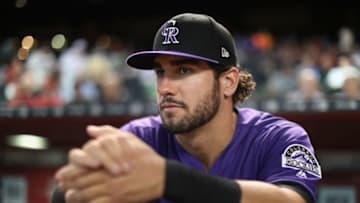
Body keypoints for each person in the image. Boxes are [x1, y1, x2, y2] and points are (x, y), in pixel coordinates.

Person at [52, 12, 322, 203]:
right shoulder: (139, 138)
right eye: (160, 72)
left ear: (228, 82)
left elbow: (291, 200)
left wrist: (169, 181)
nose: (165, 87)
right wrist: (77, 186)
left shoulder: (276, 137)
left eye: (183, 70)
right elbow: (69, 194)